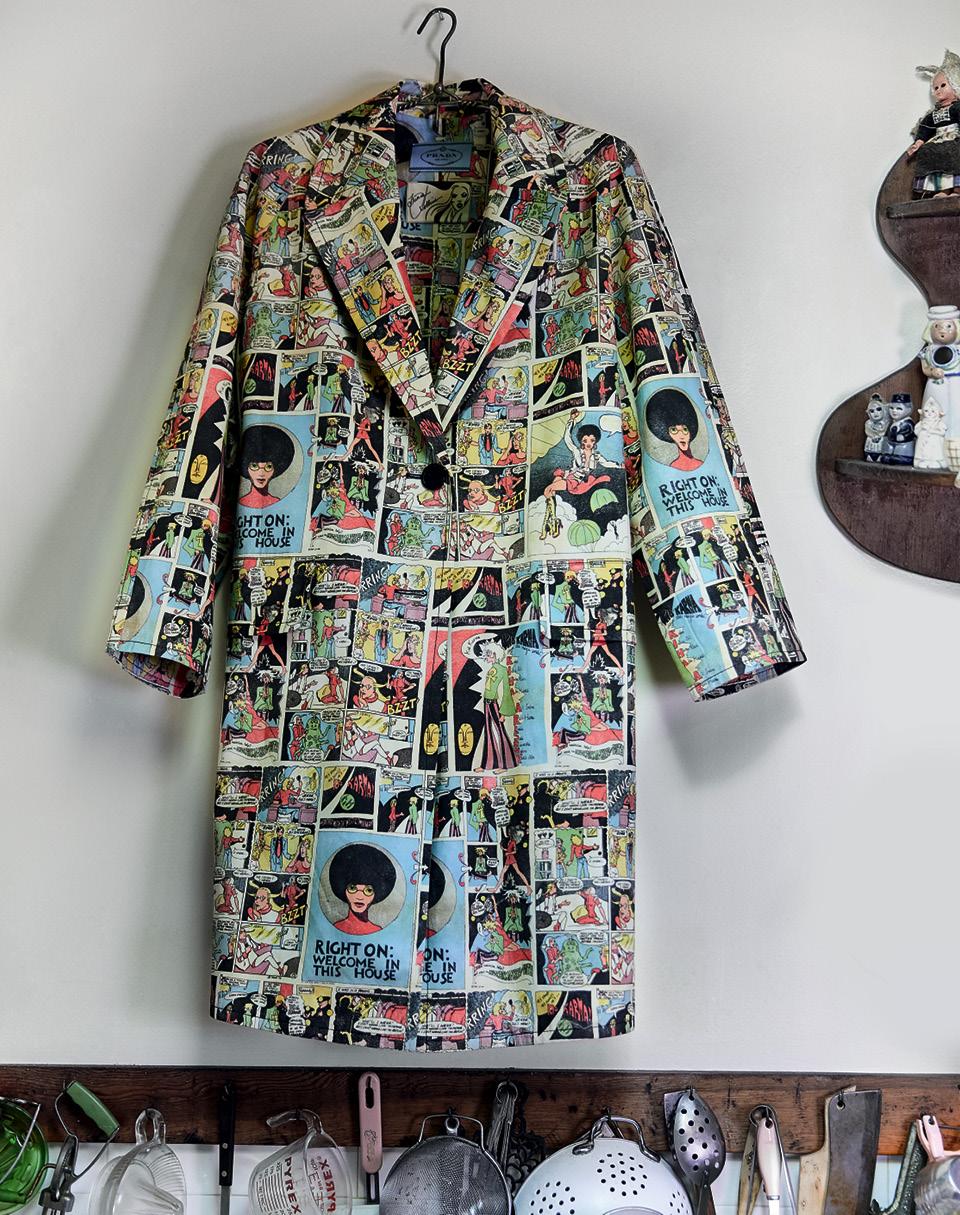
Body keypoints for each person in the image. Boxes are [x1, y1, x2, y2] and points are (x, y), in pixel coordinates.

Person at [328, 843, 397, 935]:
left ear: (376, 893)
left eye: (368, 891)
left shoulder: (377, 930)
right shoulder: (336, 927)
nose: (359, 897)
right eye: (352, 888)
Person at [645, 388, 704, 470]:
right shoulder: (672, 466)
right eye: (674, 430)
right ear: (667, 433)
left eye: (685, 429)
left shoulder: (701, 464)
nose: (681, 436)